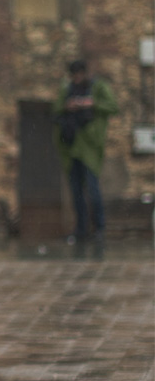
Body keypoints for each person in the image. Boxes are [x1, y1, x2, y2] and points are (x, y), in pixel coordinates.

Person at [53, 59, 117, 253]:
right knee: (76, 191)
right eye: (74, 75)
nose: (77, 78)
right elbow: (55, 110)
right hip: (71, 146)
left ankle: (99, 228)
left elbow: (113, 107)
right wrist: (68, 106)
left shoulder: (97, 87)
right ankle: (81, 229)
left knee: (92, 187)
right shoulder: (67, 89)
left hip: (90, 146)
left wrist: (91, 103)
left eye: (79, 74)